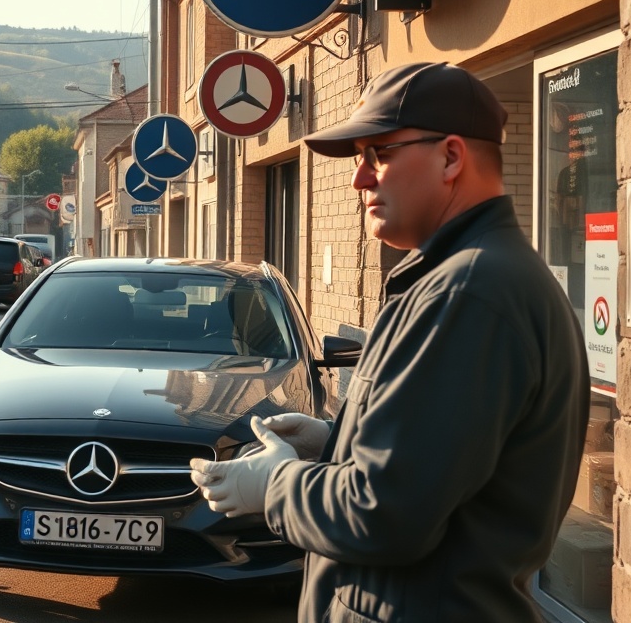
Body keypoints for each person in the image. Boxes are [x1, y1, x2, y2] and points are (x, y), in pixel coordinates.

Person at [189, 62, 590, 622]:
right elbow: (440, 462)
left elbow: (383, 513)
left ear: (451, 157)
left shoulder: (466, 294)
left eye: (380, 154)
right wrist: (333, 441)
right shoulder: (468, 280)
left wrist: (274, 484)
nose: (360, 179)